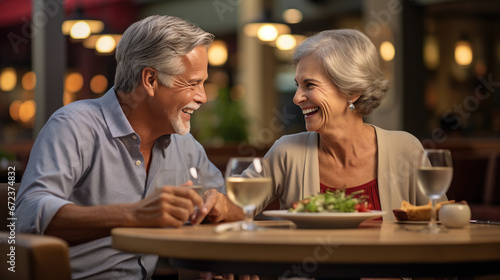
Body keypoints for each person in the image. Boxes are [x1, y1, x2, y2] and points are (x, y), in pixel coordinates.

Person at [16, 15, 243, 279]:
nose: (202, 96)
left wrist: (226, 210)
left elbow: (237, 211)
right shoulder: (74, 126)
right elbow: (28, 217)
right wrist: (135, 215)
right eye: (193, 83)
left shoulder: (185, 145)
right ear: (150, 80)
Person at [256, 29, 444, 220]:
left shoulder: (406, 149)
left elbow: (440, 221)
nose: (297, 98)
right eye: (298, 85)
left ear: (352, 91)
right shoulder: (287, 152)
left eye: (310, 85)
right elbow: (237, 206)